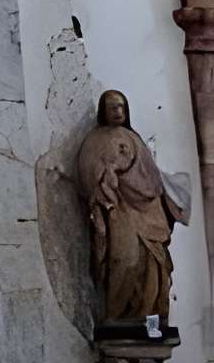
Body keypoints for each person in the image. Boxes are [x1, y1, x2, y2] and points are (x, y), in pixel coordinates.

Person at [76, 90, 189, 328]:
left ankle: (150, 324)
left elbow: (150, 176)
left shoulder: (133, 138)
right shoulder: (97, 140)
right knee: (125, 260)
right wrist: (108, 178)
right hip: (120, 209)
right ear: (103, 112)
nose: (117, 111)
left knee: (154, 267)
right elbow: (93, 175)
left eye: (120, 107)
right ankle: (117, 318)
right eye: (112, 107)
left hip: (148, 210)